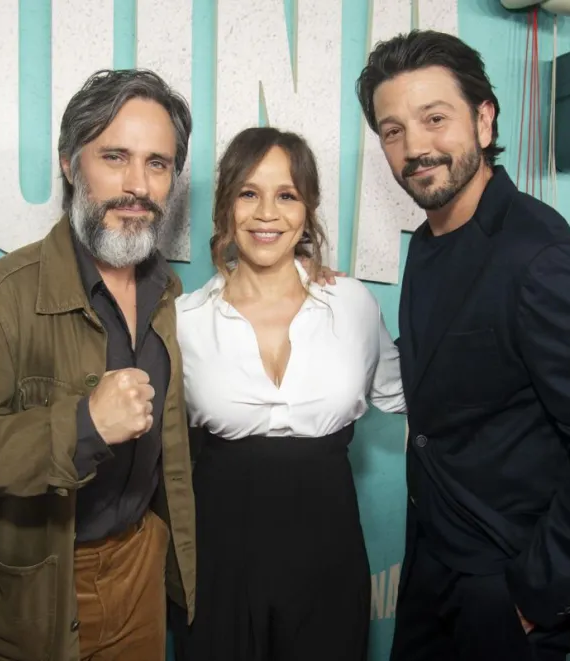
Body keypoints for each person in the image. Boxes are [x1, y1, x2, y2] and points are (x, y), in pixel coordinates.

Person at [355, 30, 570, 660]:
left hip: (508, 583)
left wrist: (532, 595)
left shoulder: (539, 256)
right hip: (433, 563)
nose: (415, 148)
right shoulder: (430, 239)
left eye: (435, 118)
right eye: (392, 130)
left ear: (484, 119)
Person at [0, 68, 197, 661]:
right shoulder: (0, 300)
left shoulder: (169, 295)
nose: (136, 184)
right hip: (40, 585)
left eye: (158, 163)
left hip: (138, 567)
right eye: (114, 157)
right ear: (71, 166)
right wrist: (83, 425)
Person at [167, 126, 406, 661]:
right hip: (217, 553)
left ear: (308, 209)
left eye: (287, 195)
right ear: (226, 205)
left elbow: (413, 393)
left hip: (328, 547)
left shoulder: (351, 304)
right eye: (249, 193)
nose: (267, 214)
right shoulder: (183, 322)